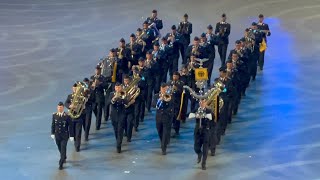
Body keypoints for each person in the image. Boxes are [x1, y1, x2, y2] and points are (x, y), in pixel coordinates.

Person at [189, 99, 213, 170]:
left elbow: (212, 117)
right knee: (196, 147)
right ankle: (199, 153)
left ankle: (203, 163)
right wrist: (195, 115)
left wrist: (205, 115)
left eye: (204, 102)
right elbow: (189, 115)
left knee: (205, 148)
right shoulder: (196, 109)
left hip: (205, 130)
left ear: (206, 103)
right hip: (197, 131)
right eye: (201, 102)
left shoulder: (208, 110)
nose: (202, 103)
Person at [51, 102, 74, 170]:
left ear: (63, 107)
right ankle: (64, 156)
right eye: (58, 107)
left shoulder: (67, 116)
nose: (59, 108)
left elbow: (70, 126)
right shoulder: (54, 115)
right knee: (59, 148)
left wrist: (71, 135)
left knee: (63, 148)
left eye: (60, 107)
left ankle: (61, 163)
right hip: (57, 135)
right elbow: (53, 125)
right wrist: (52, 133)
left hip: (64, 136)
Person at [152, 83, 174, 155]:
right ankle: (163, 142)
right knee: (159, 131)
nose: (165, 90)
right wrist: (160, 100)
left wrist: (166, 100)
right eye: (163, 89)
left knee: (165, 132)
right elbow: (153, 105)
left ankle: (163, 148)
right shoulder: (156, 96)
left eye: (166, 89)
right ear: (161, 89)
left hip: (166, 116)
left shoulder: (170, 96)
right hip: (158, 117)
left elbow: (172, 105)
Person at [107, 82, 129, 153]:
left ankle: (118, 145)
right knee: (116, 130)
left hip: (121, 115)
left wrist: (120, 99)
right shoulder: (111, 94)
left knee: (120, 130)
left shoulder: (124, 93)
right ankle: (118, 140)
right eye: (116, 87)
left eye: (119, 87)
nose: (118, 89)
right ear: (115, 88)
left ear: (121, 88)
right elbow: (108, 102)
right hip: (113, 115)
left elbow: (127, 102)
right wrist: (114, 99)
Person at [65, 83, 85, 152]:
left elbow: (83, 105)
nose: (75, 89)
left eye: (76, 88)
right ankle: (75, 143)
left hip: (79, 117)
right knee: (72, 132)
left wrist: (78, 106)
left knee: (78, 133)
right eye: (74, 88)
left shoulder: (81, 97)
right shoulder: (70, 96)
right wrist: (70, 106)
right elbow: (66, 103)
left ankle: (77, 147)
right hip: (71, 117)